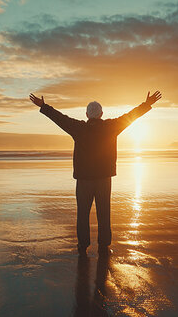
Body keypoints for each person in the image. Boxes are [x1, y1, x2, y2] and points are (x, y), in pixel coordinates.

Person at [29, 91, 162, 255]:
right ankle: (104, 245)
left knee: (83, 214)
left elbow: (60, 119)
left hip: (84, 179)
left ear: (86, 114)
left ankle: (83, 245)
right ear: (101, 114)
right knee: (104, 212)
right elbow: (131, 116)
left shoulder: (79, 128)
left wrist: (43, 106)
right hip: (103, 179)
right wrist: (147, 104)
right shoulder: (110, 127)